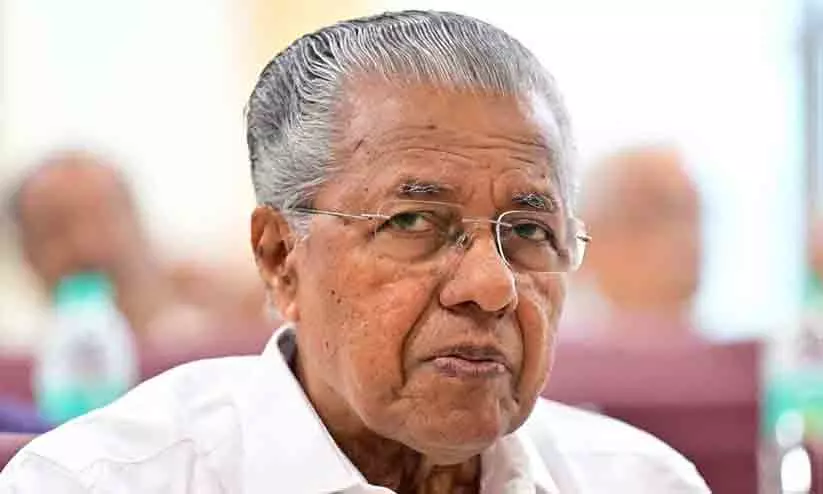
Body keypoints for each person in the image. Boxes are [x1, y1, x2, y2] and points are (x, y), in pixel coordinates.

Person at [0, 11, 709, 493]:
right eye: (414, 221)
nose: (491, 286)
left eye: (527, 231)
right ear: (281, 258)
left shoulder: (639, 481)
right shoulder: (103, 481)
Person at [8, 149, 266, 344]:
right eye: (57, 229)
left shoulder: (224, 325)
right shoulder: (21, 359)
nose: (88, 245)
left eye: (103, 218)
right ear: (27, 253)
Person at [564, 145, 702, 341]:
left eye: (692, 217)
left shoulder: (732, 356)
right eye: (653, 218)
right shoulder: (550, 351)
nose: (684, 238)